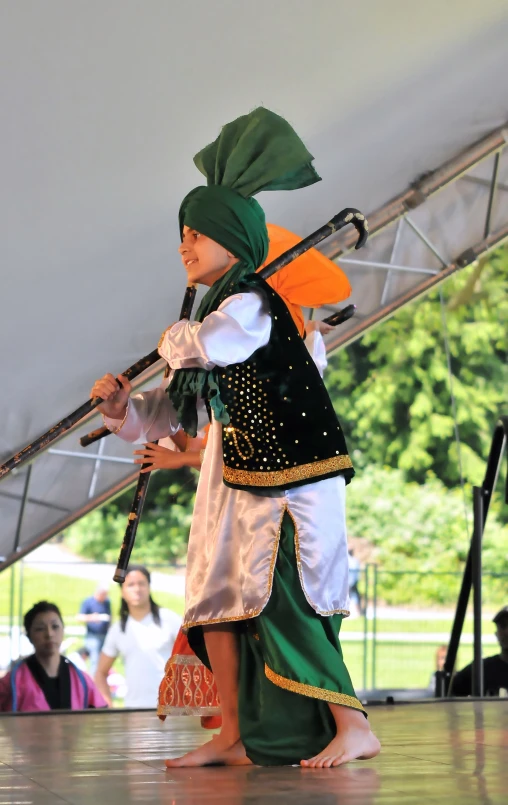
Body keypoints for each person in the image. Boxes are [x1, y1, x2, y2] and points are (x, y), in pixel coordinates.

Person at [91, 107, 380, 767]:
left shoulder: (246, 305)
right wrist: (121, 409)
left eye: (196, 234)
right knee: (217, 599)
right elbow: (168, 414)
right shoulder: (215, 317)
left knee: (289, 594)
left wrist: (174, 337)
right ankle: (234, 732)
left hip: (293, 480)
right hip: (239, 477)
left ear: (233, 242)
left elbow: (210, 345)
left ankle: (351, 722)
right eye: (183, 235)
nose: (184, 247)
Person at [95, 565, 181, 708]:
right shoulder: (118, 630)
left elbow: (196, 659)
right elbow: (100, 673)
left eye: (141, 584)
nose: (137, 589)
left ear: (149, 587)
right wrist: (108, 707)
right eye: (130, 585)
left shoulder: (169, 619)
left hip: (170, 710)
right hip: (134, 712)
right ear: (122, 591)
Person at [0, 601, 107, 712]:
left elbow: (102, 717)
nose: (49, 634)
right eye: (40, 628)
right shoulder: (13, 681)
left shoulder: (82, 680)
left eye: (55, 626)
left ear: (63, 630)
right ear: (29, 635)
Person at [451, 606, 508, 697]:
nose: (507, 631)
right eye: (503, 626)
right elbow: (450, 690)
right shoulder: (481, 669)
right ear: (496, 634)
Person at [77, 585, 111, 675]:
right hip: (92, 636)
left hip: (104, 634)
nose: (104, 597)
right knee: (94, 660)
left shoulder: (107, 602)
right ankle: (93, 681)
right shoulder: (88, 602)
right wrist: (92, 617)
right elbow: (79, 617)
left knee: (104, 660)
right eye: (103, 594)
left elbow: (109, 616)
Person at [348, 548, 362, 616]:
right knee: (349, 597)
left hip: (352, 582)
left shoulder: (353, 560)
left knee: (356, 597)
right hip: (349, 583)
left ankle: (359, 612)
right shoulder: (350, 560)